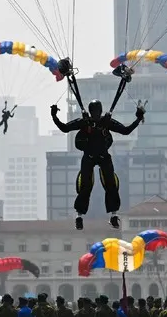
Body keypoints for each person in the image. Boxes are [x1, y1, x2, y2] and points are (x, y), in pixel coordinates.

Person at [50, 98, 144, 230]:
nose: (94, 114)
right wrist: (54, 116)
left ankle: (113, 215)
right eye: (93, 112)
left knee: (111, 183)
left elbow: (126, 131)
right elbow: (65, 128)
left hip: (103, 157)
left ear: (100, 112)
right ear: (90, 112)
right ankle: (79, 216)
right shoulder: (84, 122)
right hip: (88, 157)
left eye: (96, 111)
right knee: (85, 186)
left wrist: (138, 119)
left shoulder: (106, 122)